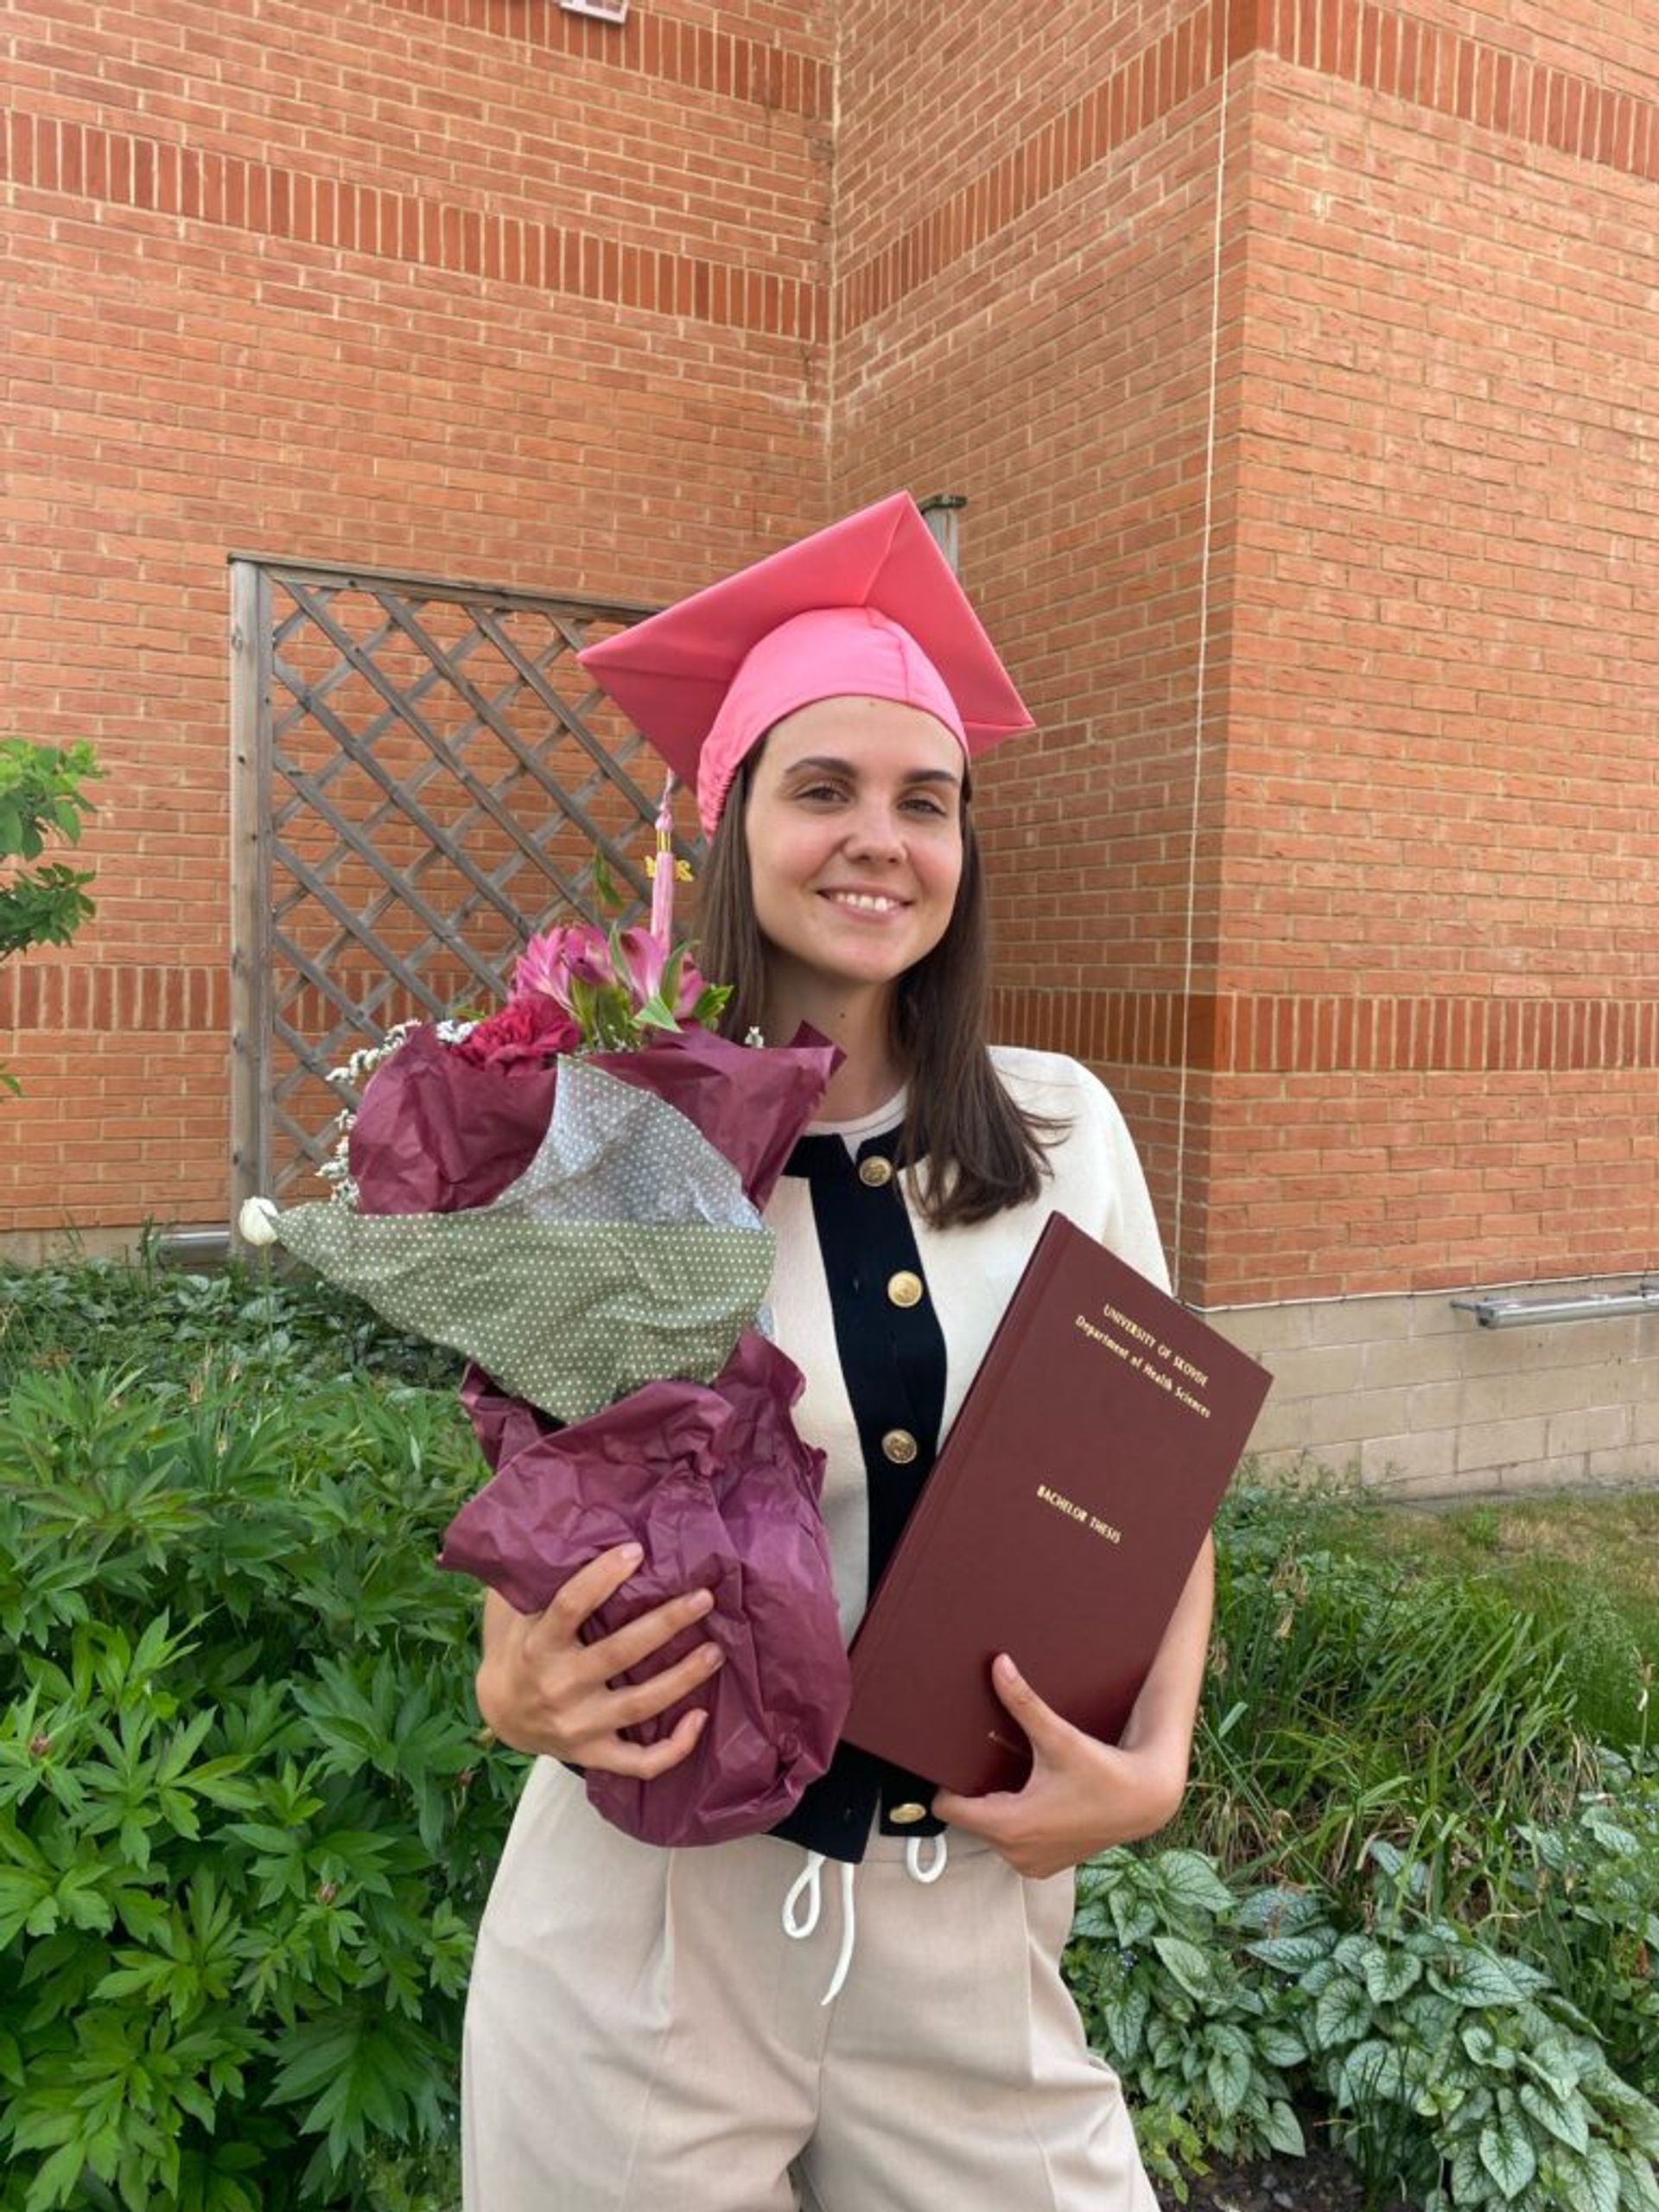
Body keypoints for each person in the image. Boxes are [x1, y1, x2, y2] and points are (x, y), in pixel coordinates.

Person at [461, 493, 1214, 2211]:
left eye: (924, 800)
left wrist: (1156, 1755)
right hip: (648, 1940)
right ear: (728, 826)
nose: (881, 837)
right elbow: (532, 1546)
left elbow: (1154, 1496)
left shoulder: (1063, 1134)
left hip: (961, 1931)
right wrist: (509, 1683)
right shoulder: (609, 1151)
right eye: (825, 789)